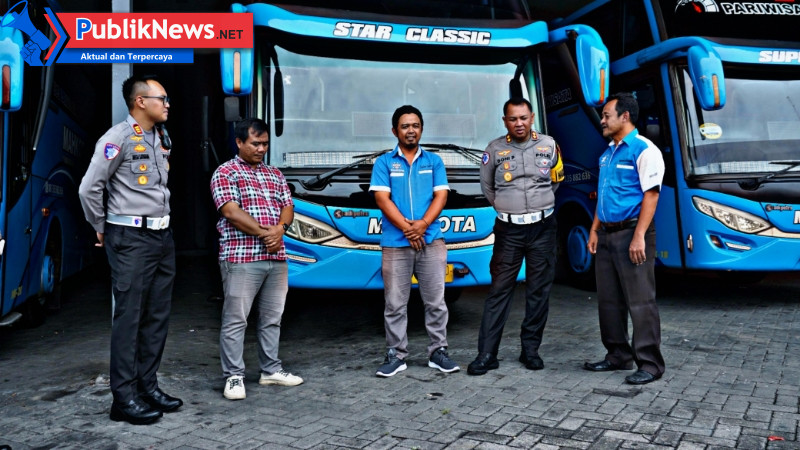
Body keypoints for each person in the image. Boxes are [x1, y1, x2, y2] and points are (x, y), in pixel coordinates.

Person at [79, 75, 182, 425]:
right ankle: (123, 398)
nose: (167, 104)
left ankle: (147, 387)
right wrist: (100, 226)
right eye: (161, 98)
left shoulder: (160, 136)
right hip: (130, 238)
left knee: (156, 317)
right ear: (140, 101)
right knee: (130, 318)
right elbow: (89, 188)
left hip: (161, 238)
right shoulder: (117, 138)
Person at [467, 97, 564, 376]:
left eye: (523, 118)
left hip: (543, 228)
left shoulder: (549, 145)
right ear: (505, 121)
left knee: (538, 291)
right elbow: (487, 187)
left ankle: (530, 350)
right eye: (512, 119)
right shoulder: (494, 150)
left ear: (531, 117)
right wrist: (510, 208)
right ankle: (487, 354)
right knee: (499, 290)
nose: (518, 123)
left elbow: (556, 179)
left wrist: (538, 205)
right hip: (509, 231)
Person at [210, 118, 303, 400]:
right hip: (241, 257)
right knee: (236, 319)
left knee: (272, 318)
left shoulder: (274, 174)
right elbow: (230, 212)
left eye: (265, 143)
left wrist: (281, 229)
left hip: (276, 258)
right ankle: (234, 376)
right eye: (255, 143)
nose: (261, 148)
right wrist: (268, 234)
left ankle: (270, 370)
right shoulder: (225, 172)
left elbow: (288, 206)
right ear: (239, 142)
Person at [369, 105, 459, 377]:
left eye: (416, 125)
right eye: (405, 126)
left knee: (436, 301)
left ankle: (438, 352)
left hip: (431, 241)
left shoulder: (434, 161)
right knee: (395, 303)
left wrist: (422, 226)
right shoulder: (384, 163)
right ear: (395, 130)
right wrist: (409, 229)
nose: (411, 130)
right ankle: (396, 355)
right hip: (396, 245)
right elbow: (382, 199)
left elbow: (441, 196)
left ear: (421, 129)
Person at [584, 92, 666, 385]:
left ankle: (650, 364)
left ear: (625, 116)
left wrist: (639, 236)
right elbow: (602, 196)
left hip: (633, 232)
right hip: (606, 234)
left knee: (640, 301)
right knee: (609, 300)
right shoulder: (607, 153)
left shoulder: (644, 150)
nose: (602, 120)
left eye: (607, 115)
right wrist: (594, 230)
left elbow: (651, 195)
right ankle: (617, 354)